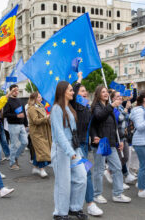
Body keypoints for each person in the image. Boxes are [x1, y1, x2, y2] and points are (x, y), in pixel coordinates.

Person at [51, 81, 87, 220]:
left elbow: (73, 132)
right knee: (63, 183)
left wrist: (77, 151)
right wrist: (70, 152)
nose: (73, 92)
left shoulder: (69, 108)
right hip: (62, 151)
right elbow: (59, 134)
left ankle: (75, 207)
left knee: (81, 177)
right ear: (63, 92)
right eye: (71, 90)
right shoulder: (56, 109)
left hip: (74, 149)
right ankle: (60, 213)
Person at [70, 72, 103, 216]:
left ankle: (73, 204)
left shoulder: (86, 107)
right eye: (82, 91)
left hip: (84, 144)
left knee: (79, 175)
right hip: (76, 146)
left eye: (86, 91)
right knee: (86, 174)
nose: (86, 93)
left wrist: (94, 136)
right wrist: (78, 80)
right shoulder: (74, 105)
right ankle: (90, 203)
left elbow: (92, 125)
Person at [90, 85, 131, 203]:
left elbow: (114, 125)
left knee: (117, 167)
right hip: (102, 142)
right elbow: (99, 117)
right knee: (99, 169)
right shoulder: (96, 107)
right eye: (103, 92)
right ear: (98, 94)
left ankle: (117, 194)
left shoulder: (109, 107)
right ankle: (96, 194)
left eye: (106, 92)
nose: (105, 93)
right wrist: (111, 106)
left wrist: (119, 141)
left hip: (112, 142)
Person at [3, 84, 28, 170]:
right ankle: (12, 163)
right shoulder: (7, 101)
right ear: (10, 91)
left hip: (21, 125)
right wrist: (16, 116)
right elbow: (5, 114)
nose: (16, 92)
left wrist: (26, 124)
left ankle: (15, 157)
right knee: (14, 145)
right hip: (13, 125)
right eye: (14, 90)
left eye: (17, 90)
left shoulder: (20, 100)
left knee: (25, 142)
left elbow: (24, 112)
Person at [27, 92, 51, 178]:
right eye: (39, 97)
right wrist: (46, 118)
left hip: (43, 131)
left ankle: (35, 167)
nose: (41, 99)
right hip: (36, 133)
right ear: (34, 99)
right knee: (42, 151)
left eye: (41, 97)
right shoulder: (32, 108)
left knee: (39, 150)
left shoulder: (41, 106)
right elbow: (36, 121)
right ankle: (42, 169)